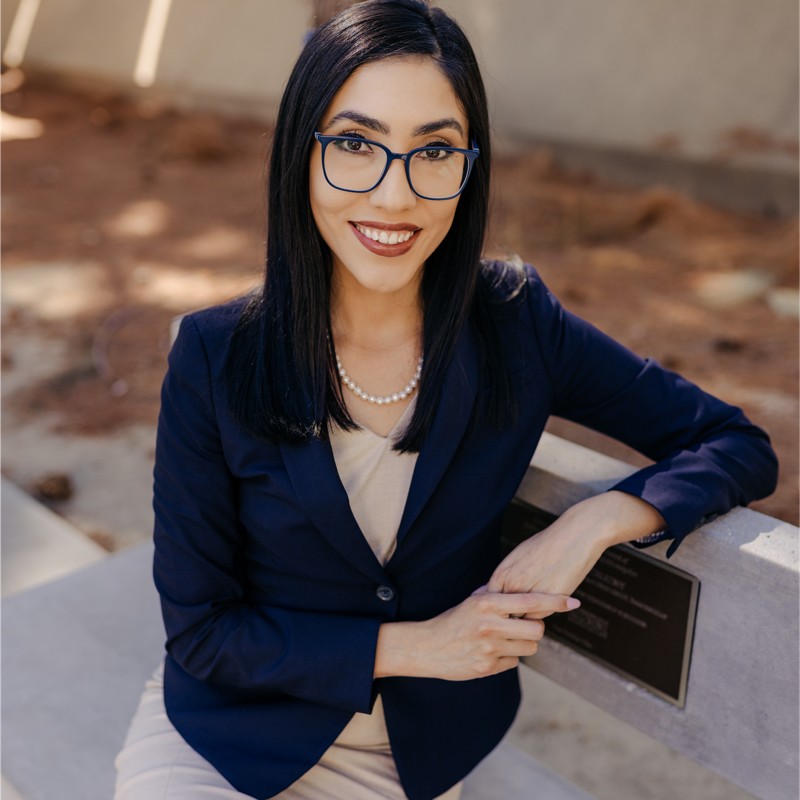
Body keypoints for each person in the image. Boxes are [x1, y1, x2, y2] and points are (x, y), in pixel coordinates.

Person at [114, 1, 779, 798]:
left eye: (433, 151)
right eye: (356, 145)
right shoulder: (216, 355)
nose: (395, 197)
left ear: (471, 166)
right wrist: (416, 647)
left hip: (415, 756)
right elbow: (203, 631)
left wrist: (597, 520)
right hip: (230, 738)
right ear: (302, 153)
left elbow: (733, 441)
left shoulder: (515, 321)